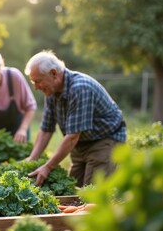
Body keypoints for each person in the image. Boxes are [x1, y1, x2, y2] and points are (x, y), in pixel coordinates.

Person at [23, 50, 127, 187]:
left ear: (53, 73)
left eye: (38, 81)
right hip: (81, 144)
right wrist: (32, 158)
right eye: (33, 82)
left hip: (105, 140)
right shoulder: (51, 92)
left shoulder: (79, 88)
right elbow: (46, 129)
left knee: (92, 194)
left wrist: (47, 167)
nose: (35, 87)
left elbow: (72, 136)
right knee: (73, 191)